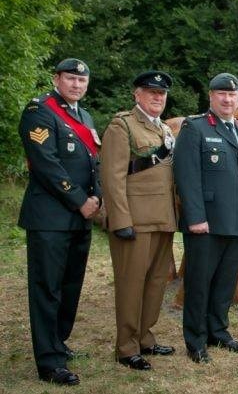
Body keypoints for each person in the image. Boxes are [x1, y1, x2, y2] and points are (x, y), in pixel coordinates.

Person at [18, 58, 101, 385]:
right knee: (47, 288)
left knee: (69, 286)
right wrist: (81, 200)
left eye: (82, 80)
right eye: (70, 79)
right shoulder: (39, 111)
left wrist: (97, 197)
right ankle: (49, 362)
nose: (77, 85)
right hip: (50, 218)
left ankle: (58, 343)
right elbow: (46, 164)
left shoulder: (84, 116)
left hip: (79, 219)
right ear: (57, 79)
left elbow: (94, 162)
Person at [173, 72, 238, 364]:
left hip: (237, 220)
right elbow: (186, 177)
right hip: (206, 223)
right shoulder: (195, 128)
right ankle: (196, 341)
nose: (228, 99)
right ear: (211, 96)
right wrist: (195, 217)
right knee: (199, 284)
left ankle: (219, 331)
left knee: (225, 282)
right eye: (222, 94)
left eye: (233, 95)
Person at [100, 71, 177, 370]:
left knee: (156, 283)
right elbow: (112, 177)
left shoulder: (164, 131)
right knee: (131, 284)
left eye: (162, 94)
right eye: (151, 92)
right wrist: (120, 220)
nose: (158, 97)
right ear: (137, 95)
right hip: (134, 221)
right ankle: (126, 346)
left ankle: (146, 337)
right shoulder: (123, 126)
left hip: (163, 219)